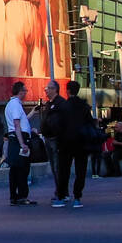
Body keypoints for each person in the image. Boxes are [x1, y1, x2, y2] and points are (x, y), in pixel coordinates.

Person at [55, 80, 94, 208]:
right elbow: (90, 124)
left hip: (66, 143)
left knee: (64, 170)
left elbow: (58, 126)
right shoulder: (84, 106)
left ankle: (61, 196)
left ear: (67, 91)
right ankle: (77, 197)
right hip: (81, 143)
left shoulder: (63, 106)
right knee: (80, 171)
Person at [4, 81, 36, 206]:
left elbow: (21, 121)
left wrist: (32, 112)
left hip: (14, 138)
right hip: (19, 138)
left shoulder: (10, 104)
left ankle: (14, 196)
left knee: (15, 169)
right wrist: (22, 143)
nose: (26, 93)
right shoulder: (16, 105)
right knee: (23, 168)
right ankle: (22, 196)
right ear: (20, 91)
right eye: (25, 90)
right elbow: (17, 124)